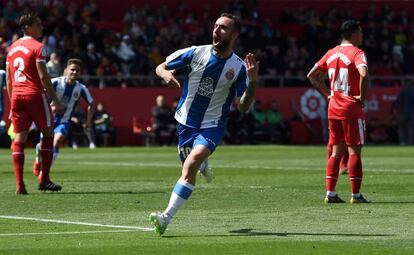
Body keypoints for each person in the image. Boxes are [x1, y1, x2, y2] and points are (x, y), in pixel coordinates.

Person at [149, 13, 258, 235]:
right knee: (189, 165)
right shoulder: (195, 52)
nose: (217, 30)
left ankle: (165, 218)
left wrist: (253, 83)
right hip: (185, 121)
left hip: (212, 124)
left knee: (191, 164)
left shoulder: (238, 67)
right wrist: (165, 74)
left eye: (223, 28)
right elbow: (160, 66)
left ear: (234, 35)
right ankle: (204, 164)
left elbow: (244, 106)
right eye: (216, 26)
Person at [307, 20, 370, 204]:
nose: (362, 36)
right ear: (353, 34)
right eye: (360, 32)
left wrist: (328, 94)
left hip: (333, 107)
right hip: (351, 106)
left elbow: (311, 75)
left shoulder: (331, 52)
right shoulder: (357, 53)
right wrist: (362, 97)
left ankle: (330, 193)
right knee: (354, 151)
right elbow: (364, 74)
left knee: (336, 152)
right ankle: (356, 195)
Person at [6, 12, 64, 194]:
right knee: (48, 135)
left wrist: (11, 102)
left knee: (19, 139)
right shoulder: (39, 47)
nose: (41, 27)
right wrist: (55, 99)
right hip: (34, 95)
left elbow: (8, 79)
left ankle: (19, 185)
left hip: (17, 96)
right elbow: (42, 75)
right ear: (27, 27)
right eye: (38, 24)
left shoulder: (11, 48)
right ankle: (44, 180)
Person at [33, 58, 95, 175]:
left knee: (55, 143)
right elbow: (41, 96)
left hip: (64, 122)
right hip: (48, 120)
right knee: (41, 147)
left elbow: (92, 103)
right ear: (66, 70)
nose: (74, 72)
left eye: (77, 71)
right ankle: (37, 161)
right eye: (72, 70)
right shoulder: (55, 82)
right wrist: (51, 108)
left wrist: (88, 121)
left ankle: (44, 174)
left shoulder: (81, 88)